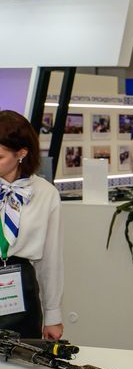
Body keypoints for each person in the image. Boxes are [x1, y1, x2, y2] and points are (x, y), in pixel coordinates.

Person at [0, 110, 64, 340]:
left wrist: (53, 314)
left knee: (22, 357)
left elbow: (51, 257)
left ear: (21, 153)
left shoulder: (45, 193)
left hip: (20, 289)